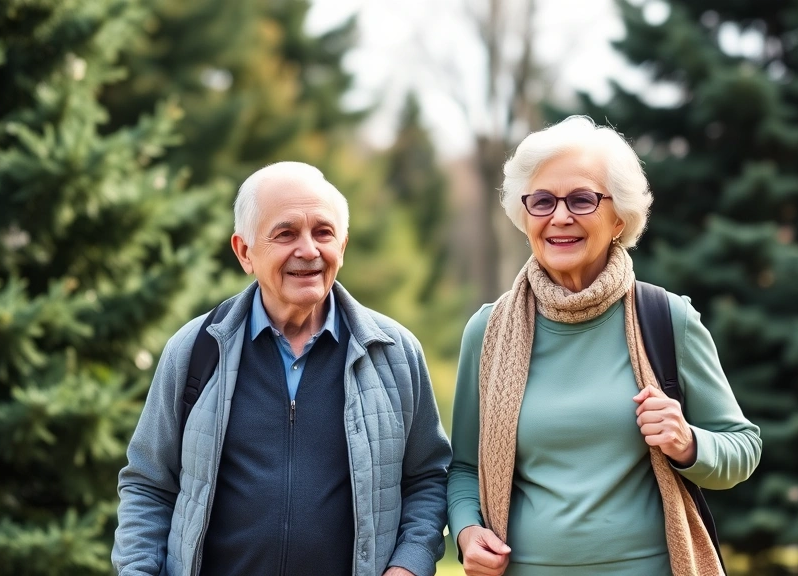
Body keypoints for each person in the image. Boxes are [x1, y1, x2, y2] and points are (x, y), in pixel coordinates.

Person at [446, 116, 762, 576]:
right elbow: (463, 469)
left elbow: (743, 448)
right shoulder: (488, 331)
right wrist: (467, 531)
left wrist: (687, 441)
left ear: (619, 218)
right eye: (542, 201)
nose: (560, 217)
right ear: (524, 215)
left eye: (581, 199)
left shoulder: (666, 319)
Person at [112, 161, 452, 576]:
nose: (308, 250)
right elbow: (148, 484)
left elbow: (427, 479)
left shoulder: (394, 352)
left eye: (323, 233)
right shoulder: (195, 350)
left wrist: (409, 566)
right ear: (244, 252)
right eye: (286, 233)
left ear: (342, 246)